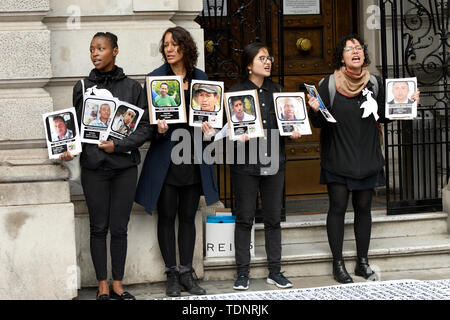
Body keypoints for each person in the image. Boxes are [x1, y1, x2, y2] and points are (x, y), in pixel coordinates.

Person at [307, 34, 420, 284]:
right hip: (337, 156)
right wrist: (314, 109)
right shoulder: (328, 85)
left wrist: (408, 102)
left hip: (367, 156)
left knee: (363, 210)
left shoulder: (376, 83)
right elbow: (319, 123)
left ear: (363, 54)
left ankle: (362, 262)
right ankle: (338, 264)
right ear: (342, 56)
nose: (355, 51)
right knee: (337, 209)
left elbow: (385, 116)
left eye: (358, 47)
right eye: (349, 48)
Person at [60, 32, 153, 300]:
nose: (95, 53)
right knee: (98, 227)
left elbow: (145, 129)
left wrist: (118, 145)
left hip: (124, 166)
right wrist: (66, 147)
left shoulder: (133, 88)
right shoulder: (82, 86)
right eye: (92, 49)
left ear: (115, 51)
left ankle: (118, 283)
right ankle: (102, 284)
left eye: (101, 48)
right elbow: (74, 127)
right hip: (93, 167)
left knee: (120, 227)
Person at [134, 26, 219, 297]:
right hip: (166, 160)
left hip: (193, 158)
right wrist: (156, 127)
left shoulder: (201, 78)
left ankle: (187, 273)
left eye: (174, 44)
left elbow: (212, 117)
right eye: (166, 45)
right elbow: (145, 120)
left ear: (186, 47)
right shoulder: (155, 79)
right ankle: (171, 274)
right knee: (167, 216)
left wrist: (211, 130)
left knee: (188, 217)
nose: (169, 49)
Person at [228, 42, 302, 291]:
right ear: (249, 65)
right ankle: (242, 273)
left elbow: (286, 125)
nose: (268, 62)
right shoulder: (236, 93)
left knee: (273, 219)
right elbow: (225, 130)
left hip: (274, 163)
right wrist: (235, 134)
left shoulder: (278, 91)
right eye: (262, 58)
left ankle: (275, 271)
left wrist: (293, 132)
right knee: (244, 218)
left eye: (269, 58)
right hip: (244, 165)